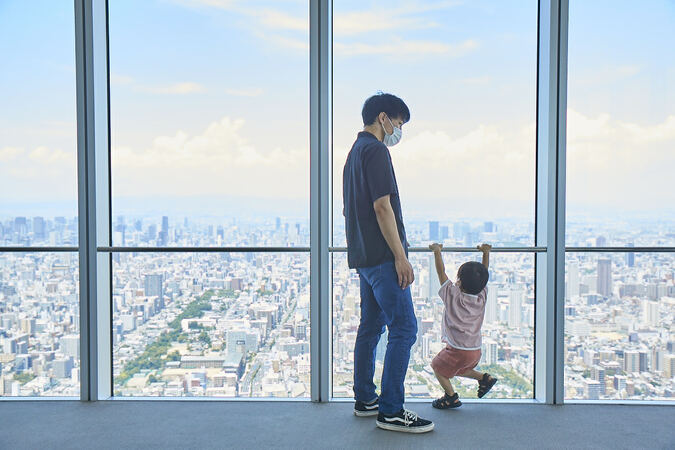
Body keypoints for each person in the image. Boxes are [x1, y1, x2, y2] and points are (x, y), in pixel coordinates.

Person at [343, 93, 434, 433]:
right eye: (398, 123)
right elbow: (382, 207)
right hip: (383, 258)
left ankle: (366, 399)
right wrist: (400, 257)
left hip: (364, 257)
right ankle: (392, 410)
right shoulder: (376, 151)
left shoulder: (353, 153)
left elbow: (351, 210)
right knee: (405, 328)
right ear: (383, 118)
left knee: (370, 328)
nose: (398, 130)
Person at [428, 243, 498, 409]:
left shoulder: (452, 296)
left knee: (437, 367)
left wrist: (437, 252)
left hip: (457, 349)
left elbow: (441, 273)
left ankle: (451, 397)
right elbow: (483, 273)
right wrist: (486, 253)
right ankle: (484, 378)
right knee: (456, 369)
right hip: (475, 350)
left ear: (458, 280)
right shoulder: (482, 296)